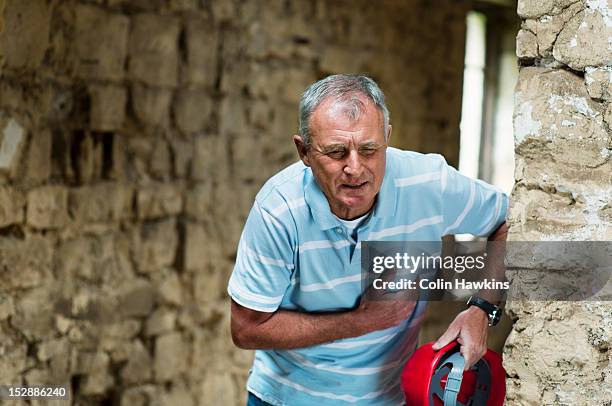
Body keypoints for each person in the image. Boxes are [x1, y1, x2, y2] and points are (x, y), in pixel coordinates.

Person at [228, 74, 508, 405]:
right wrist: (362, 321)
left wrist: (481, 307)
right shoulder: (279, 208)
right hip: (284, 399)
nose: (355, 168)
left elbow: (511, 221)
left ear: (387, 138)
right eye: (336, 152)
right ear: (303, 151)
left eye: (369, 149)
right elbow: (246, 329)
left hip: (388, 399)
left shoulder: (429, 183)